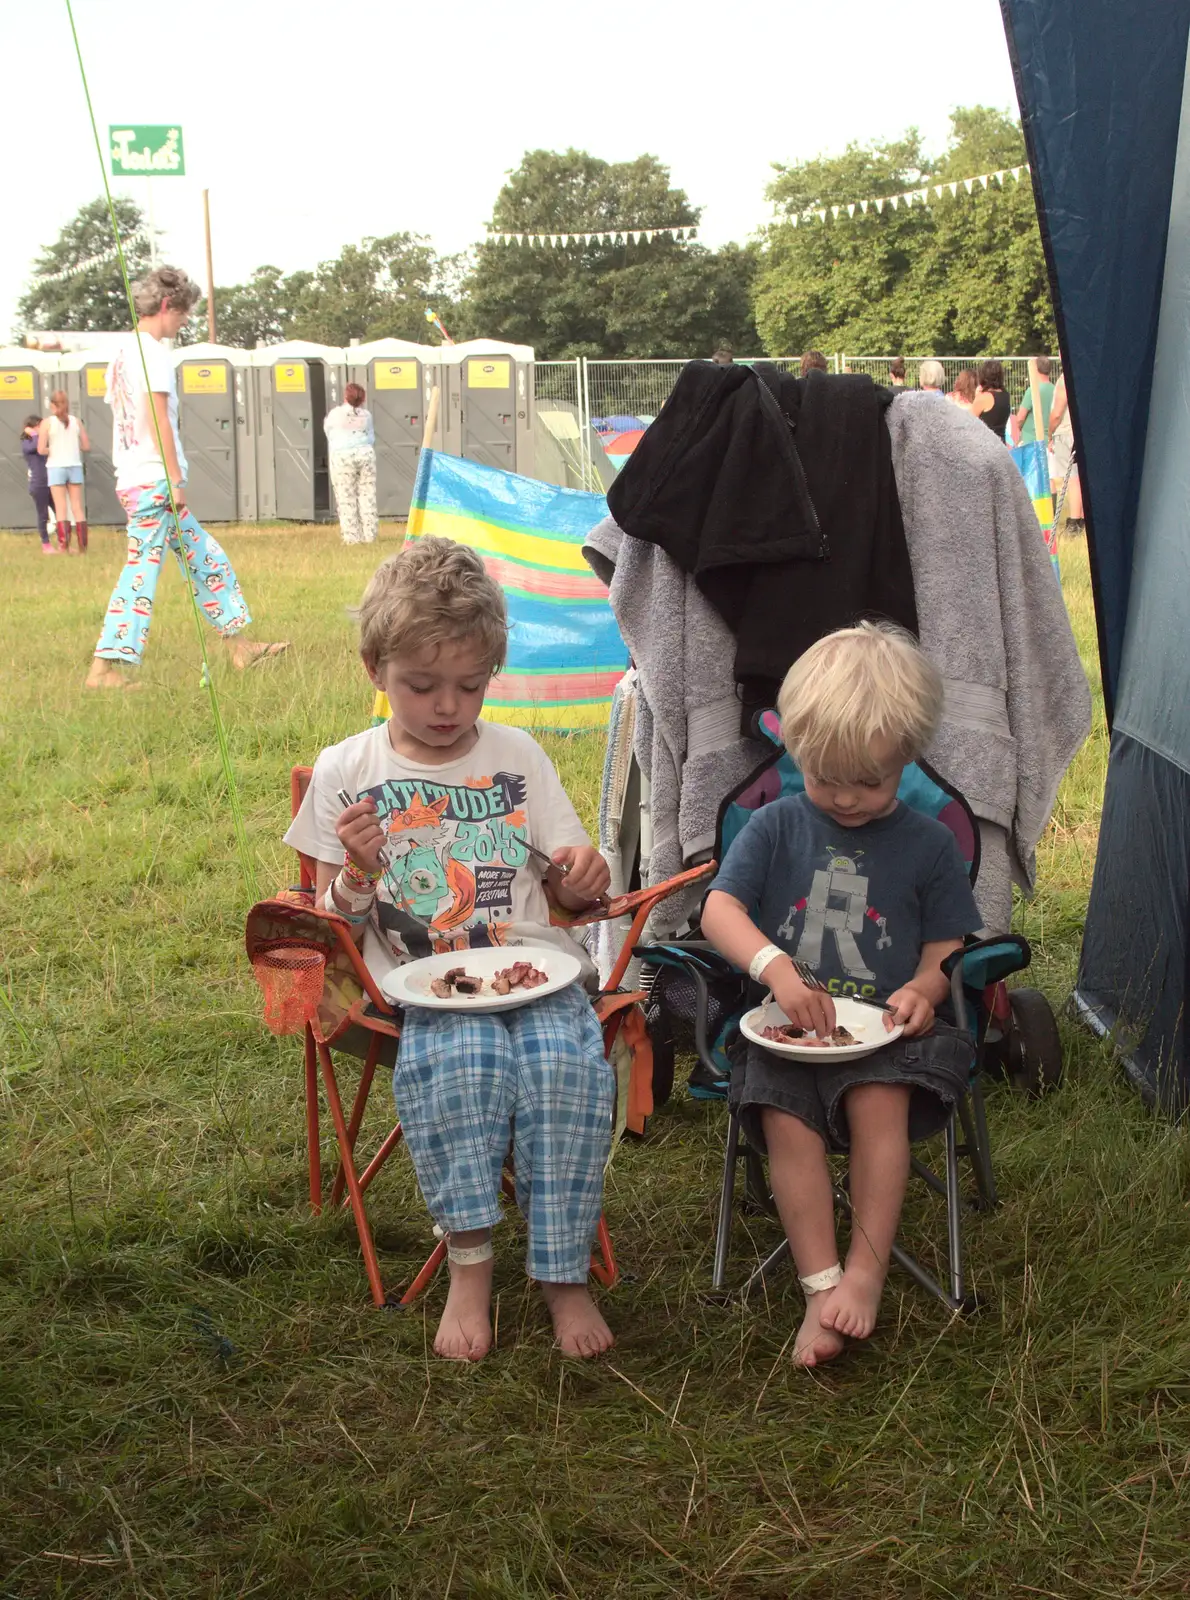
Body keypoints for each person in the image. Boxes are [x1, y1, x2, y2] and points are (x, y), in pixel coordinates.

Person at [285, 537, 616, 1363]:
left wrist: (584, 877)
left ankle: (561, 1273)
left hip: (535, 972)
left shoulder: (519, 758)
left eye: (469, 686)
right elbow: (331, 922)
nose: (446, 707)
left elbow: (575, 894)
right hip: (419, 992)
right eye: (421, 685)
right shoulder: (347, 769)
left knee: (565, 1071)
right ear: (375, 668)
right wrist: (358, 876)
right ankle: (470, 1266)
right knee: (465, 1069)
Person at [700, 622, 981, 1368]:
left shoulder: (929, 845)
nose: (847, 798)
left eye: (870, 781)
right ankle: (820, 1287)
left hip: (886, 1034)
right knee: (786, 1118)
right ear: (793, 749)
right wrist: (777, 971)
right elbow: (718, 911)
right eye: (825, 777)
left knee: (878, 1102)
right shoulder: (774, 825)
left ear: (907, 760)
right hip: (784, 1029)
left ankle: (867, 1272)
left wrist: (927, 985)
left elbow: (948, 944)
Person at [85, 265, 288, 690]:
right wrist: (175, 480)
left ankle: (239, 647)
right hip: (154, 481)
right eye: (182, 314)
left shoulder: (121, 355)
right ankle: (102, 671)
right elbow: (157, 418)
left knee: (206, 559)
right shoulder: (153, 354)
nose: (183, 322)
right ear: (165, 305)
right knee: (139, 575)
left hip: (137, 478)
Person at [324, 381, 378, 545]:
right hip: (366, 453)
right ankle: (370, 535)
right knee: (367, 495)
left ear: (346, 396)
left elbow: (328, 430)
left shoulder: (336, 414)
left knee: (346, 496)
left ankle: (352, 537)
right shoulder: (366, 415)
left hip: (343, 456)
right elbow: (370, 435)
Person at [38, 389, 89, 553]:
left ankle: (63, 547)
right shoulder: (76, 421)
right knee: (77, 507)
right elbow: (87, 446)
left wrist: (52, 449)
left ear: (52, 405)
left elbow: (41, 449)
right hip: (74, 466)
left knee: (61, 508)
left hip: (56, 467)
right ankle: (82, 548)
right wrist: (74, 448)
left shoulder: (47, 423)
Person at [1048, 371, 1083, 533]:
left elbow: (1056, 414)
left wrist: (1049, 434)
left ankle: (1074, 523)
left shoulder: (1064, 380)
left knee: (1072, 478)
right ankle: (1081, 519)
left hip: (1066, 433)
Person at [20, 415, 55, 554]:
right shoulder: (27, 443)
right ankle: (46, 544)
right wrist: (34, 434)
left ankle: (64, 541)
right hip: (38, 483)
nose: (43, 429)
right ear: (32, 427)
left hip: (51, 481)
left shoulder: (43, 440)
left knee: (60, 511)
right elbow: (35, 447)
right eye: (39, 426)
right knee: (43, 514)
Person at [1011, 355, 1055, 446]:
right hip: (1049, 442)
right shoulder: (1055, 390)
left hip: (1030, 441)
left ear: (1036, 369)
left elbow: (1020, 418)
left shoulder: (1033, 391)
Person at [973, 359, 1011, 441]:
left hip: (986, 445)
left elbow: (969, 421)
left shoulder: (984, 397)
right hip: (1001, 443)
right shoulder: (1005, 395)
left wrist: (977, 396)